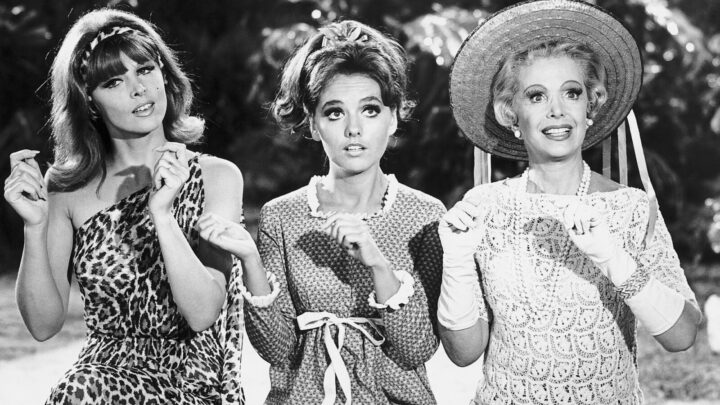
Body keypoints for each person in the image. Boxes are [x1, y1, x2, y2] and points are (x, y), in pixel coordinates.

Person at [438, 0, 702, 403]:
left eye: (572, 93)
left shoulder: (630, 207)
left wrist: (614, 259)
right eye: (536, 96)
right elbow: (463, 353)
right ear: (511, 114)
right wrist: (456, 262)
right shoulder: (484, 207)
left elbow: (682, 336)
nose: (557, 111)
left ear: (589, 105)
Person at [3, 8, 244, 404]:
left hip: (190, 383)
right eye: (114, 81)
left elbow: (203, 314)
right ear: (89, 101)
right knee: (80, 388)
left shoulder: (217, 177)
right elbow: (43, 326)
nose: (138, 89)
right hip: (98, 380)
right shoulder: (66, 189)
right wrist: (35, 226)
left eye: (145, 69)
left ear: (164, 74)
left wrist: (162, 216)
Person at [197, 19, 445, 405]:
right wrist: (250, 260)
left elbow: (416, 350)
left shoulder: (424, 215)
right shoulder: (282, 216)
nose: (353, 129)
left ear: (393, 117)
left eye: (370, 110)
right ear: (313, 124)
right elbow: (276, 350)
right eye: (334, 113)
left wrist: (379, 266)